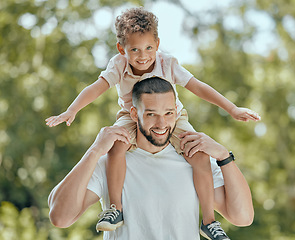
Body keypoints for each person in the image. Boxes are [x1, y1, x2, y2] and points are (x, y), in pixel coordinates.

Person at [45, 7, 260, 237]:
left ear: (157, 44)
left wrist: (226, 139)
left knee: (199, 154)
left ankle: (208, 220)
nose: (143, 55)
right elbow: (60, 217)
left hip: (180, 122)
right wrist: (76, 116)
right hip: (126, 119)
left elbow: (197, 86)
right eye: (135, 49)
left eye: (148, 48)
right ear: (122, 49)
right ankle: (115, 209)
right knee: (117, 146)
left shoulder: (167, 64)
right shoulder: (106, 160)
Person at [48, 77, 254, 240]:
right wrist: (94, 150)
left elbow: (243, 217)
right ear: (134, 113)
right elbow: (60, 217)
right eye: (151, 114)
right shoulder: (110, 163)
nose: (162, 123)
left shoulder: (195, 161)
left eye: (169, 113)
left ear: (178, 112)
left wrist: (225, 157)